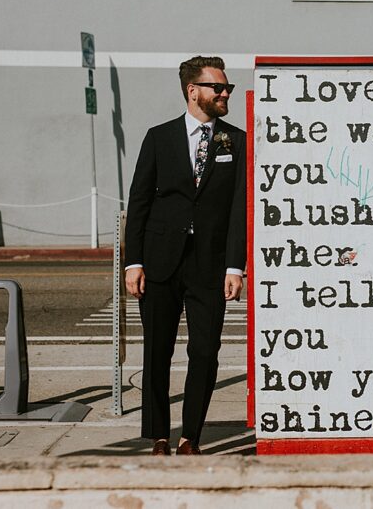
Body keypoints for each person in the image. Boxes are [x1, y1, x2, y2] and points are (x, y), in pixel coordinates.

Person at [124, 55, 246, 456]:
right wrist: (133, 261)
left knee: (205, 352)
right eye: (218, 87)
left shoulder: (237, 141)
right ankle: (159, 435)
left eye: (227, 87)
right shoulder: (158, 138)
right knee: (157, 352)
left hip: (209, 266)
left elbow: (237, 212)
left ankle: (190, 436)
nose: (226, 93)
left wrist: (235, 266)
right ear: (193, 91)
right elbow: (139, 202)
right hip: (160, 262)